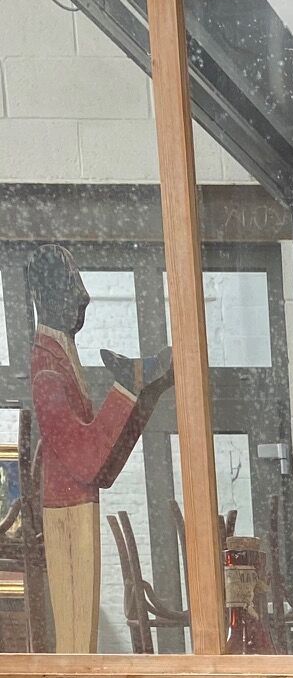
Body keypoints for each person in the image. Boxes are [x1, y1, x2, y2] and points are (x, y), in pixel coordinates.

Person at [26, 244, 174, 653]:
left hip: (76, 504)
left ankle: (141, 378)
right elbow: (85, 459)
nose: (83, 296)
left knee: (81, 632)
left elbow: (100, 469)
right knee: (76, 638)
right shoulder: (46, 370)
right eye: (73, 285)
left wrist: (140, 397)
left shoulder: (57, 358)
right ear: (51, 293)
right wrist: (127, 389)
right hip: (66, 511)